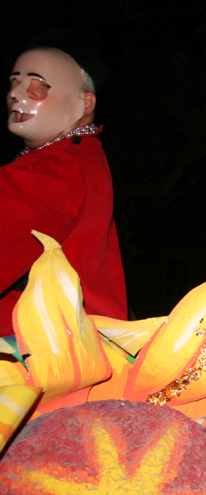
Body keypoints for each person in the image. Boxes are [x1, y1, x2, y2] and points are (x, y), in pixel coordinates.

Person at [0, 39, 127, 336]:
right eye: (14, 83)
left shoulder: (62, 165)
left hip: (38, 351)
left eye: (38, 85)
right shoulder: (77, 157)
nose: (16, 94)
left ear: (85, 104)